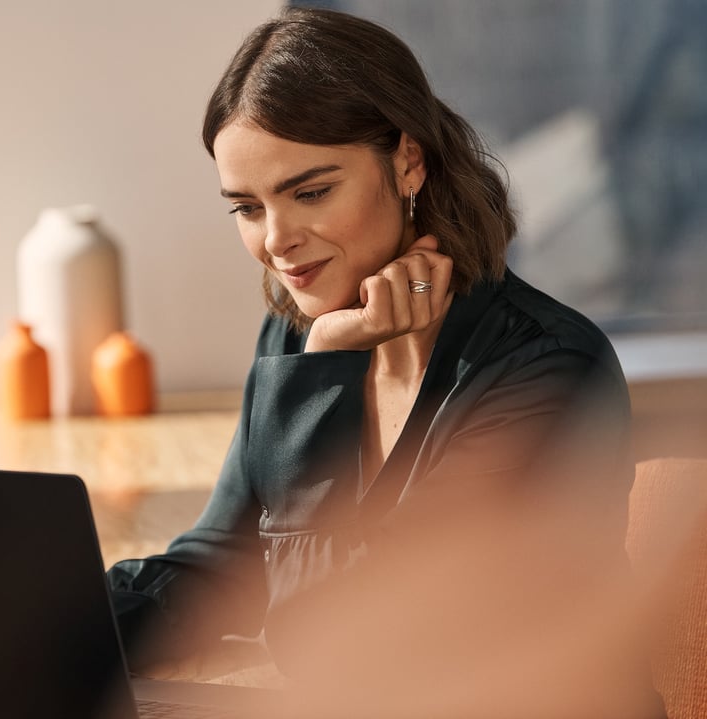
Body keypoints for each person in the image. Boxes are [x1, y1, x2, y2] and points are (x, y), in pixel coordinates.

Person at [107, 8, 665, 717]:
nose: (278, 240)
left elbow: (339, 648)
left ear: (408, 161)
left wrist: (326, 366)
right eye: (247, 207)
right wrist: (38, 628)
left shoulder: (546, 372)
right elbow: (223, 561)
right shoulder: (293, 336)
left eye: (310, 192)